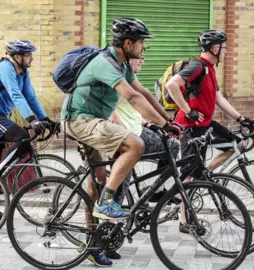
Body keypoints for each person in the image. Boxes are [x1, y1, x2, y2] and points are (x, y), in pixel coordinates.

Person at [61, 17, 180, 222]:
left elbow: (142, 92)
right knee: (135, 144)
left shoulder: (122, 66)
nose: (145, 47)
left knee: (97, 183)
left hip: (91, 121)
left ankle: (92, 245)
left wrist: (167, 121)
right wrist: (163, 124)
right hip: (80, 121)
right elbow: (132, 98)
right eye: (141, 41)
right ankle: (108, 202)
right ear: (127, 43)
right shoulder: (105, 63)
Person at [165, 29, 254, 233]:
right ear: (215, 48)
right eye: (224, 48)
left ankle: (204, 174)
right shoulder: (197, 66)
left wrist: (242, 118)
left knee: (236, 144)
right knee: (188, 176)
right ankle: (183, 221)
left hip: (206, 124)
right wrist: (189, 111)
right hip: (190, 127)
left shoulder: (210, 68)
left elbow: (219, 99)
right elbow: (172, 85)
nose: (226, 52)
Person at [0, 40, 54, 221]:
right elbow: (15, 94)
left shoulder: (23, 72)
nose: (31, 58)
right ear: (17, 57)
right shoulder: (6, 67)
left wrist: (45, 119)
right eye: (28, 55)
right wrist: (31, 120)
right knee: (23, 137)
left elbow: (30, 96)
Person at [111, 57, 180, 203]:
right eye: (139, 58)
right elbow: (112, 109)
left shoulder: (130, 79)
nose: (143, 61)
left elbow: (131, 111)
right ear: (128, 60)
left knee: (172, 145)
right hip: (127, 135)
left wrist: (149, 124)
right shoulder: (119, 79)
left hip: (138, 129)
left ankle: (156, 191)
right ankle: (111, 219)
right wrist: (122, 132)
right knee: (123, 175)